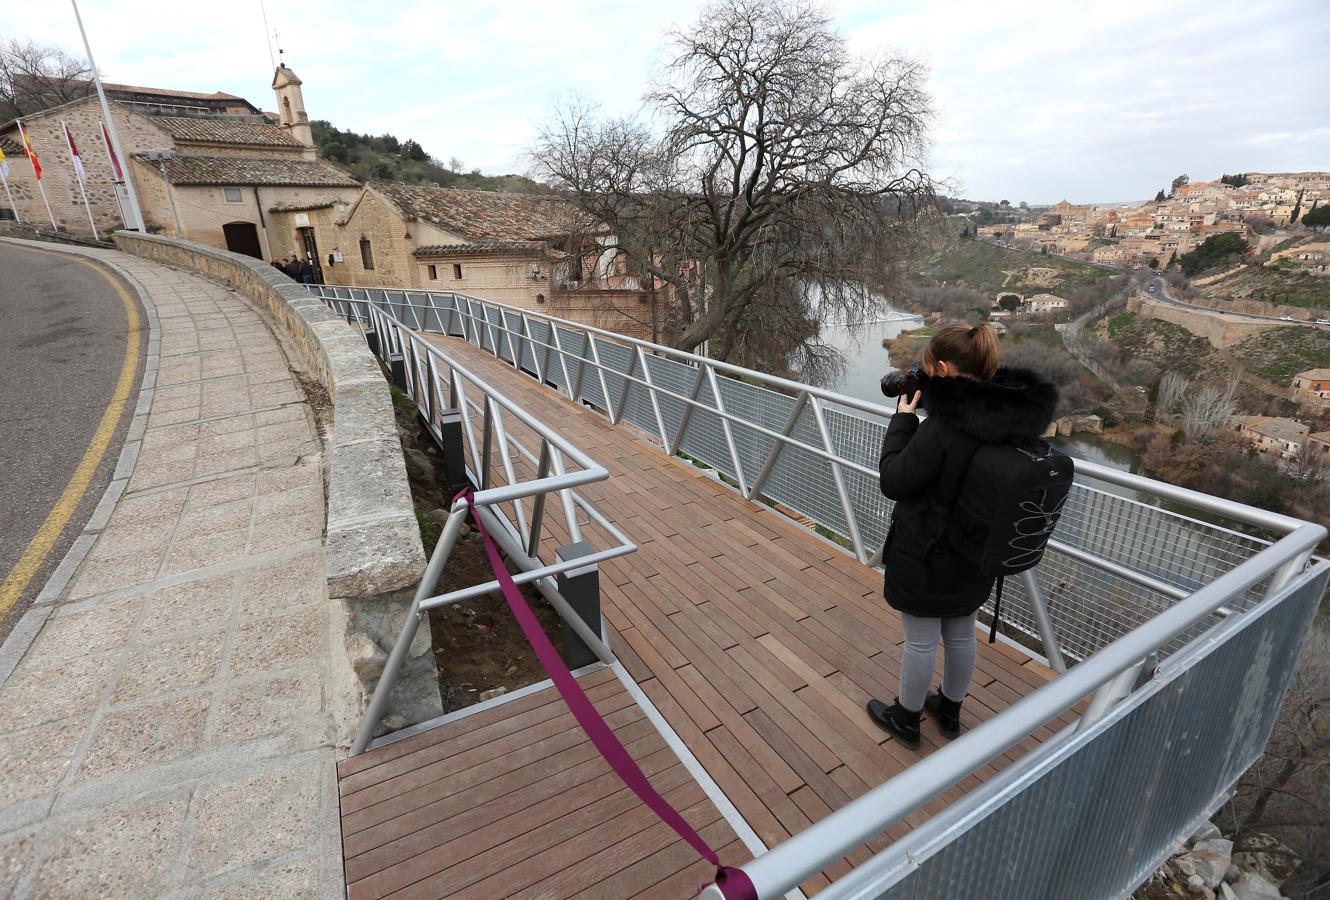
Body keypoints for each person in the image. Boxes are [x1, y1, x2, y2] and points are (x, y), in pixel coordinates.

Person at [866, 323, 1058, 749]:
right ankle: (949, 710)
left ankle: (906, 718)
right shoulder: (1011, 418)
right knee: (959, 631)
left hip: (928, 548)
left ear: (941, 367)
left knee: (920, 640)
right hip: (976, 549)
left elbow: (895, 480)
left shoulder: (943, 427)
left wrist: (903, 422)